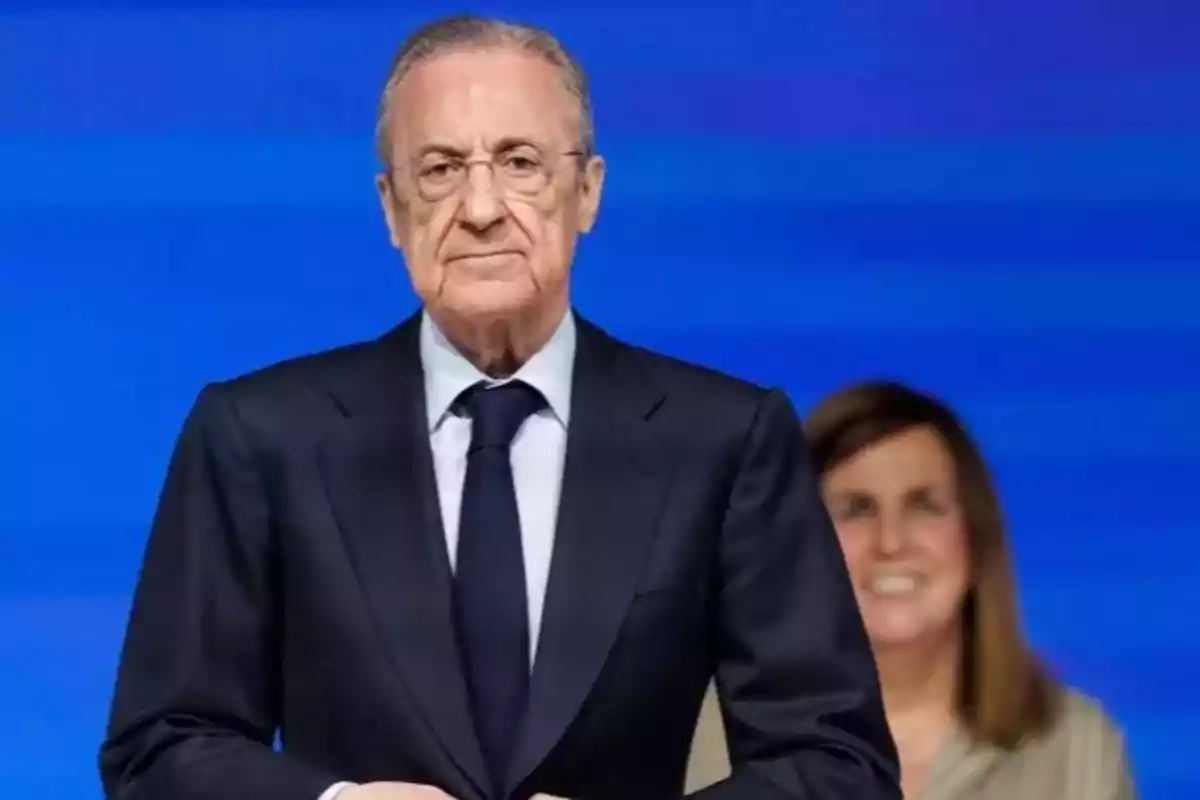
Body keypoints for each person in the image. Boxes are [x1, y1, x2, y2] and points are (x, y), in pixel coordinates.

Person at [97, 14, 900, 800]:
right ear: (391, 208)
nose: (480, 208)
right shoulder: (260, 436)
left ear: (587, 191)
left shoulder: (722, 439)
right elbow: (158, 750)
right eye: (441, 169)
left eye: (519, 162)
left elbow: (839, 766)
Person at [685, 381, 1136, 799]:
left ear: (975, 539)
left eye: (924, 506)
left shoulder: (1078, 748)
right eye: (856, 509)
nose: (891, 542)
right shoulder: (691, 735)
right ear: (797, 544)